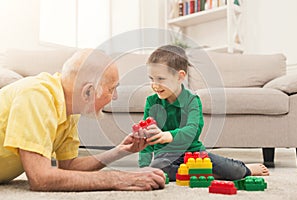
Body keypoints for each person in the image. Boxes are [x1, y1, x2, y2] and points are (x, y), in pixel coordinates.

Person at [0, 49, 165, 191]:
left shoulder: (67, 108)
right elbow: (40, 178)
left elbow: (69, 166)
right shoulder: (36, 95)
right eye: (112, 89)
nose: (115, 97)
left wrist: (121, 150)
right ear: (88, 92)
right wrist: (119, 178)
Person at [138, 45, 269, 181]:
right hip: (165, 156)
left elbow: (193, 130)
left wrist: (169, 136)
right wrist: (144, 167)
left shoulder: (192, 100)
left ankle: (246, 168)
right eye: (151, 79)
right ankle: (204, 174)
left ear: (180, 76)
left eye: (160, 79)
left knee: (235, 172)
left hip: (195, 153)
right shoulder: (152, 102)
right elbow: (146, 139)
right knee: (157, 169)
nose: (154, 85)